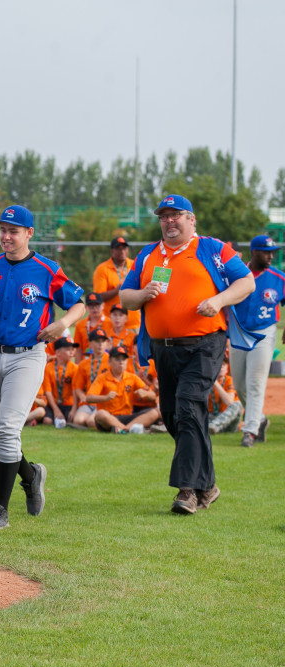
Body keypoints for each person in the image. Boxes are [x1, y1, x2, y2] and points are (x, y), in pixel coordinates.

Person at [121, 194, 256, 515]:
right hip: (163, 349)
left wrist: (220, 301)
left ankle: (187, 491)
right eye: (163, 216)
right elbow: (126, 297)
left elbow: (247, 282)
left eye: (176, 215)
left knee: (188, 407)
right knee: (172, 413)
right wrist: (142, 295)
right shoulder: (148, 255)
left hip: (204, 345)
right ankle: (207, 485)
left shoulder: (212, 249)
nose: (169, 221)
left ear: (191, 219)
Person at [0, 205, 85, 530]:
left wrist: (63, 324)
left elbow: (80, 303)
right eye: (2, 230)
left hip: (28, 355)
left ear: (29, 233)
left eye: (13, 230)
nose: (6, 236)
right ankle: (31, 475)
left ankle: (0, 510)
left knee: (6, 429)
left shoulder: (46, 268)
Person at [228, 235, 285, 447]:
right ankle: (259, 419)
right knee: (239, 384)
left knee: (255, 382)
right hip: (238, 333)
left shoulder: (278, 278)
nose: (270, 256)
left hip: (264, 333)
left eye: (272, 252)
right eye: (266, 252)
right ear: (254, 252)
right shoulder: (238, 275)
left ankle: (249, 431)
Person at [86, 344, 159, 434]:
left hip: (127, 416)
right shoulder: (102, 378)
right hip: (110, 416)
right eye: (117, 359)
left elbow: (152, 396)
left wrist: (145, 394)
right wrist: (106, 398)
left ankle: (124, 429)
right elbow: (89, 397)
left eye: (123, 359)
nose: (121, 362)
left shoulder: (132, 377)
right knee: (100, 414)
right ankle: (129, 429)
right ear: (109, 362)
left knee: (155, 412)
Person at [94, 235, 142, 330]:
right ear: (112, 251)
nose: (122, 251)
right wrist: (118, 290)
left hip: (133, 323)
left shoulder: (135, 265)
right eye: (118, 248)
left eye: (124, 248)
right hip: (111, 325)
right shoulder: (102, 269)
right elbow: (98, 297)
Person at [71, 329, 110, 429]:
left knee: (91, 421)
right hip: (88, 402)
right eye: (97, 341)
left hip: (103, 402)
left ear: (107, 343)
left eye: (103, 341)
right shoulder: (84, 364)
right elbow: (77, 387)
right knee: (78, 420)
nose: (100, 345)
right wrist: (82, 396)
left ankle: (96, 422)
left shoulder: (111, 361)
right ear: (90, 343)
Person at [42, 337, 78, 427]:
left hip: (69, 404)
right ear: (57, 353)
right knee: (47, 421)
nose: (71, 352)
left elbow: (75, 390)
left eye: (72, 350)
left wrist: (74, 409)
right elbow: (48, 391)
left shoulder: (75, 368)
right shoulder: (48, 368)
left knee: (73, 419)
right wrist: (55, 409)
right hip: (53, 403)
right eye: (67, 350)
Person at [72, 293, 112, 363]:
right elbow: (78, 349)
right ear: (86, 307)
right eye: (91, 306)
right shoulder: (80, 325)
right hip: (86, 361)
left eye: (97, 306)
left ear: (103, 306)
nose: (94, 309)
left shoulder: (110, 323)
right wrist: (78, 366)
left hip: (105, 362)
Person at [208, 358, 243, 435]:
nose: (221, 367)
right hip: (210, 417)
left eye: (223, 365)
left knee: (237, 404)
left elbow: (229, 401)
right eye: (218, 365)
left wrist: (215, 383)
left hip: (228, 421)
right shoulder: (205, 382)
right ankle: (211, 427)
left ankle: (213, 427)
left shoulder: (230, 381)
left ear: (227, 368)